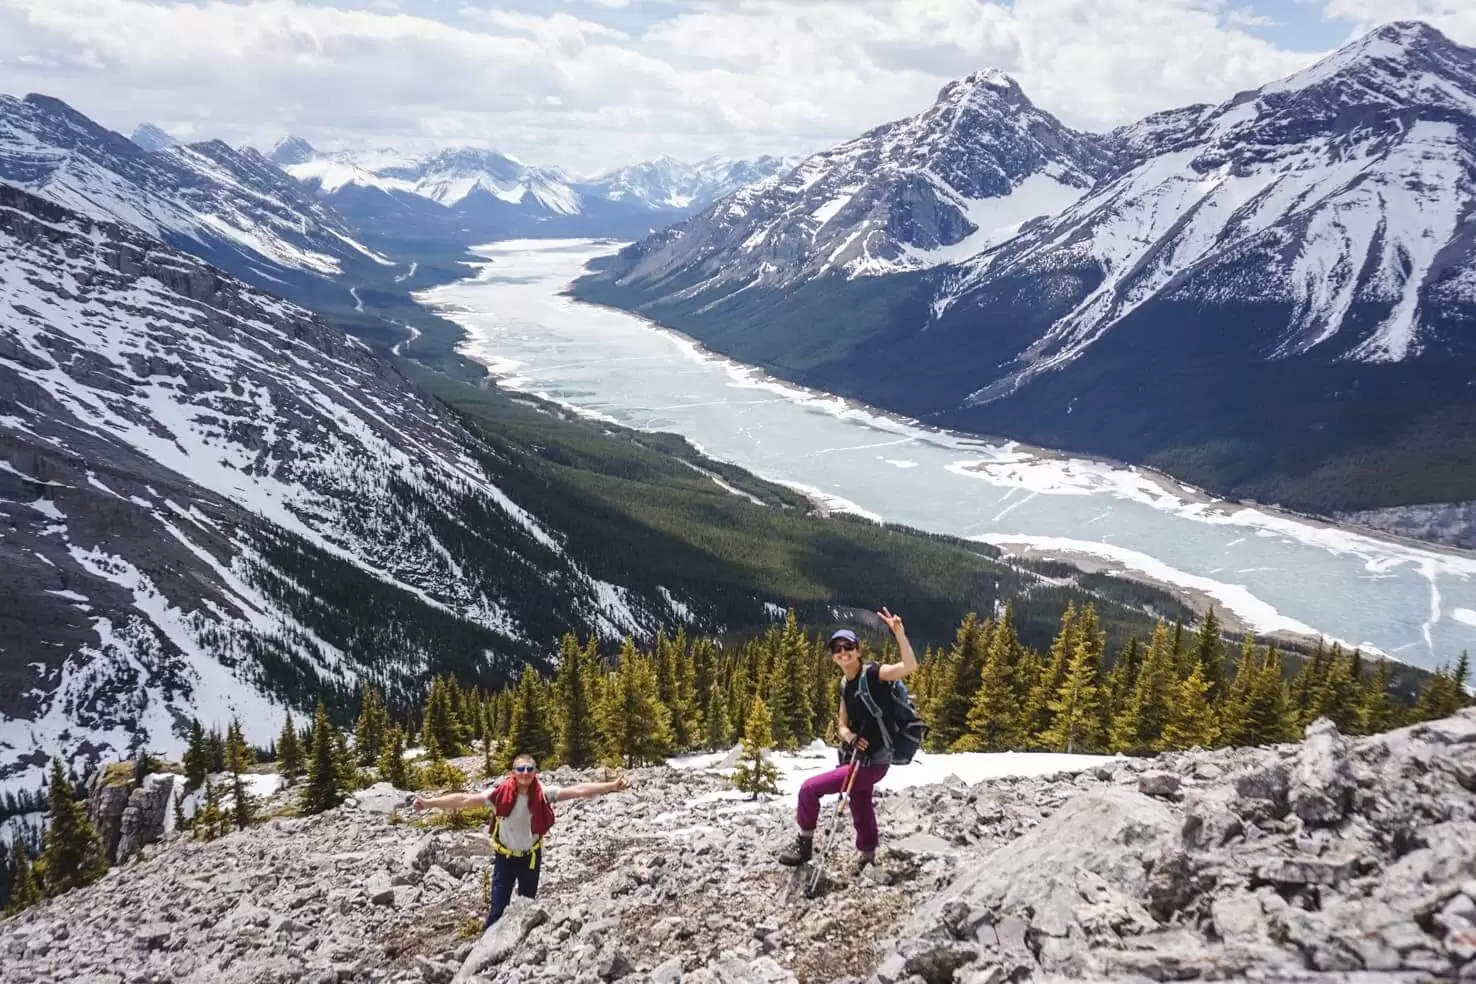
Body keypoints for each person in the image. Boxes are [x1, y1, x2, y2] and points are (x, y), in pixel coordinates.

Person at [411, 754, 630, 928]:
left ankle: (521, 947)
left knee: (527, 905)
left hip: (531, 858)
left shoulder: (544, 793)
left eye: (529, 769)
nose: (525, 773)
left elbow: (578, 791)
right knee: (497, 909)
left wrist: (610, 787)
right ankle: (489, 950)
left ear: (536, 772)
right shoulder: (498, 794)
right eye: (520, 769)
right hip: (505, 859)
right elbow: (465, 799)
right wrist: (430, 803)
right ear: (512, 773)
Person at [778, 606, 918, 872]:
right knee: (859, 800)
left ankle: (804, 844)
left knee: (809, 789)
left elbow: (909, 666)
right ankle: (867, 855)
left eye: (848, 646)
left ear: (858, 650)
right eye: (837, 649)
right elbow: (841, 726)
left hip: (875, 761)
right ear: (833, 656)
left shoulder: (875, 674)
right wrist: (851, 737)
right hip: (860, 759)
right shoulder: (845, 684)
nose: (843, 652)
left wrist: (898, 633)